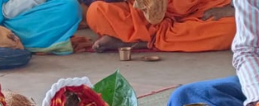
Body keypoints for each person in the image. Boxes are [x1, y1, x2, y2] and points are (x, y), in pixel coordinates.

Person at [87, 0, 235, 53]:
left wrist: (232, 8)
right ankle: (154, 38)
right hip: (149, 14)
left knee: (233, 28)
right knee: (96, 12)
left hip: (203, 10)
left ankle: (139, 42)